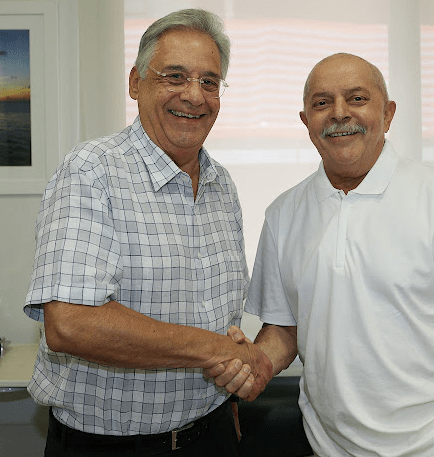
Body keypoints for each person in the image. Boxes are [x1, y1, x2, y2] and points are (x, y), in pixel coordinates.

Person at [209, 53, 434, 457]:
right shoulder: (283, 213)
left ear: (387, 114)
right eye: (322, 103)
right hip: (328, 448)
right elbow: (286, 330)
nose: (339, 113)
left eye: (357, 98)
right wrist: (247, 363)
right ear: (306, 122)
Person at [23, 9, 271, 457]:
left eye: (210, 81)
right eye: (175, 76)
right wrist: (214, 349)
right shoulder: (92, 171)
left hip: (212, 434)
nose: (194, 95)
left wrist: (230, 383)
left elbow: (219, 315)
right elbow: (71, 324)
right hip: (110, 448)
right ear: (136, 83)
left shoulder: (222, 185)